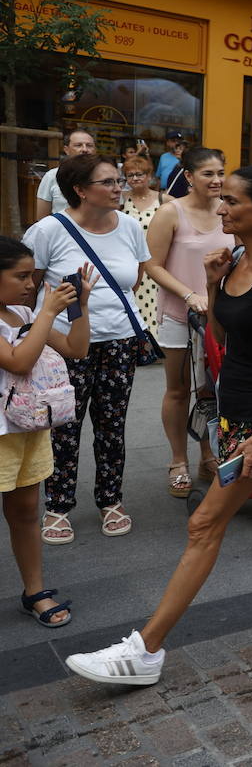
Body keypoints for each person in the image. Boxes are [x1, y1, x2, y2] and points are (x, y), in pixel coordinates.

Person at [65, 167, 252, 686]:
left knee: (203, 525)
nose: (221, 208)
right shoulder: (236, 261)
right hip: (238, 412)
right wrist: (213, 283)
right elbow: (219, 332)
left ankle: (145, 650)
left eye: (232, 201)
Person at [23, 153, 151, 544]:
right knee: (64, 426)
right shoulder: (48, 230)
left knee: (112, 426)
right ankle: (58, 506)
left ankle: (111, 500)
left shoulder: (129, 226)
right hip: (63, 344)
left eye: (120, 181)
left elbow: (136, 276)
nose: (119, 188)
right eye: (109, 182)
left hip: (119, 341)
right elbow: (27, 286)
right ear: (80, 190)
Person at [0, 242, 92, 628]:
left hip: (26, 427)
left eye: (32, 274)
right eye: (20, 276)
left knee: (25, 512)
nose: (30, 283)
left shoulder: (22, 313)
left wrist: (78, 308)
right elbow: (18, 362)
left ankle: (34, 591)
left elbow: (76, 347)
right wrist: (47, 312)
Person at [144, 148, 233, 494]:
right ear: (190, 176)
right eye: (208, 173)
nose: (216, 180)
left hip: (220, 317)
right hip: (179, 315)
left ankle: (208, 455)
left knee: (213, 390)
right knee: (179, 389)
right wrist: (188, 295)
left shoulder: (228, 209)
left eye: (220, 172)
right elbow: (152, 265)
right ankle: (178, 460)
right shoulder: (171, 212)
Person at [120, 153, 166, 340]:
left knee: (154, 304)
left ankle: (155, 344)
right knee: (133, 303)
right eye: (130, 175)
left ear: (149, 176)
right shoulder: (120, 199)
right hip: (129, 262)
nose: (135, 179)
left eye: (140, 174)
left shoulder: (164, 199)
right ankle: (137, 343)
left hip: (156, 262)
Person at [35, 129, 96, 220]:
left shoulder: (104, 176)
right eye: (78, 145)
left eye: (89, 145)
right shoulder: (52, 176)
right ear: (66, 150)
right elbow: (42, 218)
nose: (84, 149)